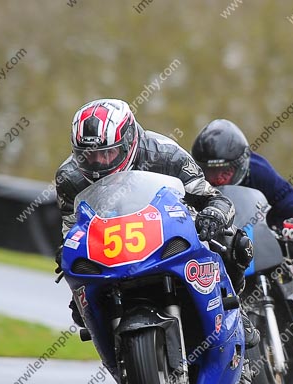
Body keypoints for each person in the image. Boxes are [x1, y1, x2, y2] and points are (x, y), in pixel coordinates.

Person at [54, 99, 259, 348]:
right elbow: (71, 226)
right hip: (110, 245)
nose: (99, 163)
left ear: (129, 141)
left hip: (167, 232)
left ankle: (236, 312)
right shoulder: (69, 176)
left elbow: (213, 198)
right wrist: (67, 248)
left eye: (108, 153)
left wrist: (213, 215)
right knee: (77, 292)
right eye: (88, 156)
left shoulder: (165, 153)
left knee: (234, 242)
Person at [191, 119, 293, 370]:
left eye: (225, 172)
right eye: (210, 172)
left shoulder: (259, 171)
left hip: (264, 238)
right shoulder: (192, 180)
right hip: (221, 251)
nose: (218, 179)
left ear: (240, 164)